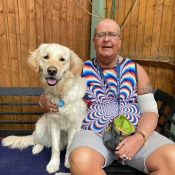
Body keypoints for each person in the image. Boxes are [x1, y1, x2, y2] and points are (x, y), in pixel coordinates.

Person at [39, 18, 175, 175]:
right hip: (93, 135)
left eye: (112, 34)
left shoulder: (136, 70)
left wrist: (139, 137)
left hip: (134, 132)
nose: (106, 39)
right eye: (101, 34)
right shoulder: (80, 70)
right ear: (94, 41)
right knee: (80, 161)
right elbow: (54, 92)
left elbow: (150, 111)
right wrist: (43, 100)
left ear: (119, 40)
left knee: (172, 159)